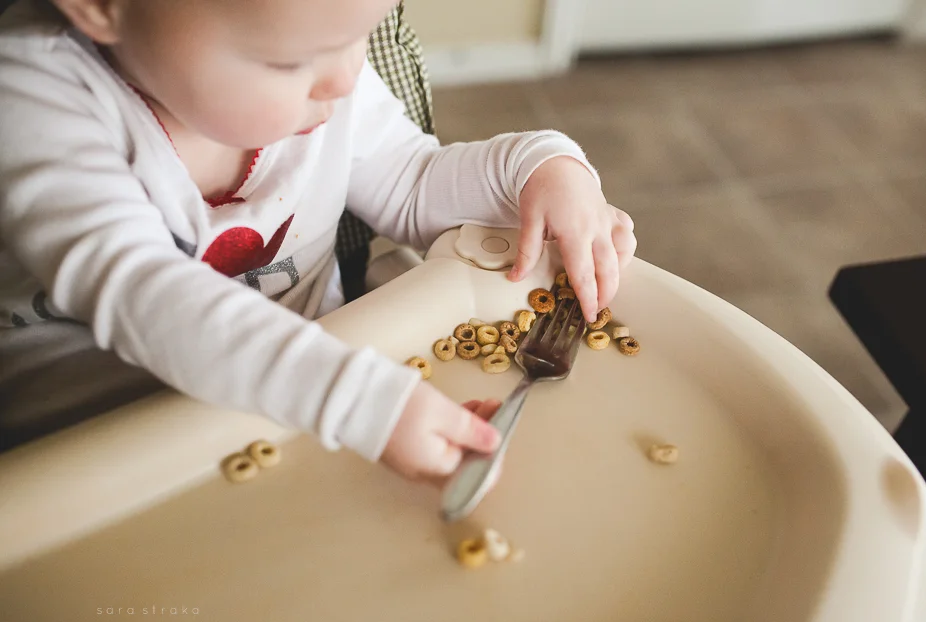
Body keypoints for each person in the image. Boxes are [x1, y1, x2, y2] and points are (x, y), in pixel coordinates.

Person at [0, 0, 637, 483]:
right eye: (289, 61)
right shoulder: (33, 100)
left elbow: (412, 181)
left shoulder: (326, 69)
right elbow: (143, 293)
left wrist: (539, 168)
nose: (345, 77)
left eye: (362, 33)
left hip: (305, 420)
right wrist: (356, 399)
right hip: (93, 461)